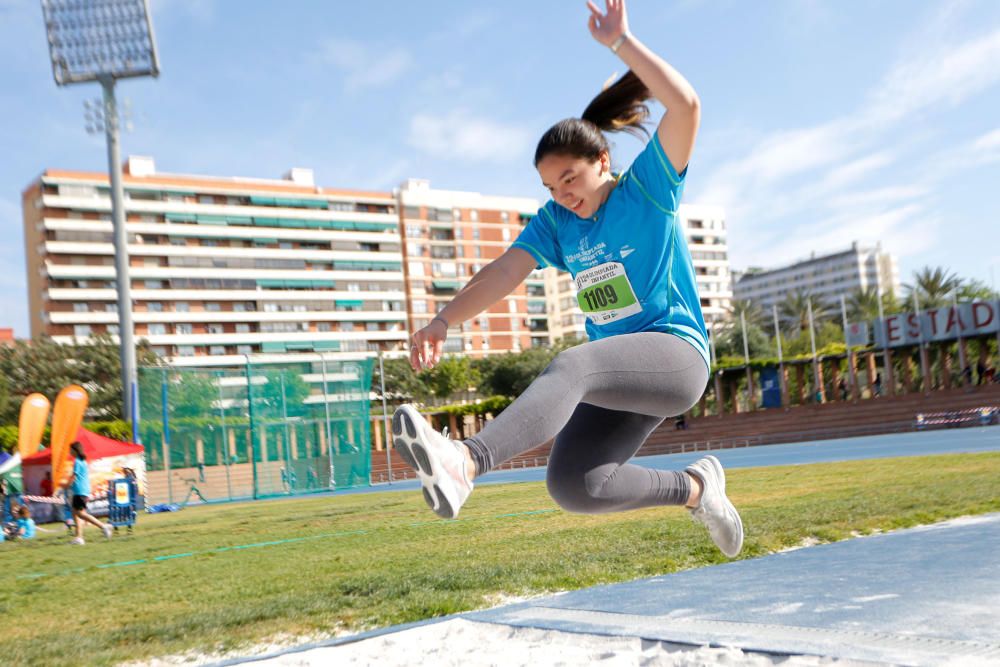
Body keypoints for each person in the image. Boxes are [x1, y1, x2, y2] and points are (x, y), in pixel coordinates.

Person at [390, 0, 742, 559]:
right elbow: (506, 269)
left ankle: (466, 461)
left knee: (575, 361)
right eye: (551, 187)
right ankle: (698, 489)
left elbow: (687, 105)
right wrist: (443, 319)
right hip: (620, 377)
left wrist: (621, 42)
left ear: (602, 160)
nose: (562, 196)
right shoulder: (557, 223)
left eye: (570, 179)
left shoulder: (646, 188)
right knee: (577, 484)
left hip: (677, 357)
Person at [62, 441, 113, 545]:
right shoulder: (83, 461)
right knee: (75, 513)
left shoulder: (77, 461)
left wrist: (66, 485)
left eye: (70, 450)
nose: (69, 452)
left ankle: (103, 526)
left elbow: (74, 476)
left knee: (80, 513)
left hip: (79, 491)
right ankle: (79, 537)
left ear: (75, 450)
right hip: (83, 490)